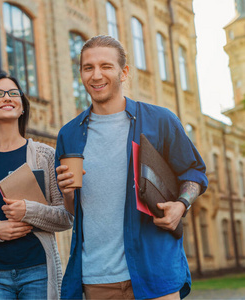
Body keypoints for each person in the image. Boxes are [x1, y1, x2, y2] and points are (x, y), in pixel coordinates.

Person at [56, 35, 208, 300]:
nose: (96, 75)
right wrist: (67, 194)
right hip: (97, 279)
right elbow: (73, 210)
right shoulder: (69, 135)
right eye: (88, 67)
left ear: (123, 72)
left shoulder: (159, 121)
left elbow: (194, 172)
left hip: (155, 274)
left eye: (106, 66)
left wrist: (181, 204)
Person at [0, 72, 73, 299]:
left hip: (39, 271)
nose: (7, 97)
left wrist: (28, 211)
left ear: (22, 107)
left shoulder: (45, 156)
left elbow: (66, 217)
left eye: (13, 93)